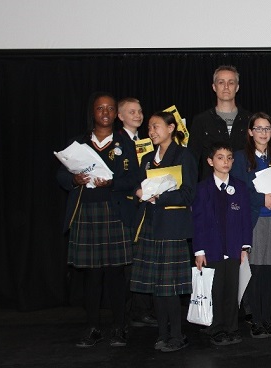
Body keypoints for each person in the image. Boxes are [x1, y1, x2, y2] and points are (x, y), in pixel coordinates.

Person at [57, 92, 139, 348]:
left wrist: (115, 182)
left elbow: (136, 178)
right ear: (93, 112)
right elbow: (60, 173)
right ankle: (92, 326)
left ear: (116, 114)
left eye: (110, 109)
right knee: (92, 276)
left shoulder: (126, 142)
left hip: (115, 212)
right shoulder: (79, 142)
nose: (105, 112)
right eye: (100, 108)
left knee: (116, 275)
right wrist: (73, 180)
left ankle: (119, 326)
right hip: (86, 213)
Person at [131, 111, 197, 352]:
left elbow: (189, 193)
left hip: (172, 228)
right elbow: (139, 187)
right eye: (149, 127)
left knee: (170, 289)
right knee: (157, 287)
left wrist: (161, 197)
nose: (151, 131)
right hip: (150, 226)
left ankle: (177, 335)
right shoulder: (147, 158)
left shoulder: (184, 155)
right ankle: (162, 334)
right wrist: (139, 193)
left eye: (156, 126)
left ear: (171, 128)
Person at [231, 112, 271, 338]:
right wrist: (261, 199)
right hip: (254, 221)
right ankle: (256, 320)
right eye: (259, 128)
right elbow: (236, 192)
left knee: (269, 274)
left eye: (267, 129)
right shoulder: (239, 158)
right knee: (255, 273)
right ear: (250, 132)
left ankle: (266, 318)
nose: (263, 133)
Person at [192, 141, 252, 346]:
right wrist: (199, 250)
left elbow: (246, 219)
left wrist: (245, 246)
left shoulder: (240, 187)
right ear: (210, 161)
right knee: (215, 290)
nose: (225, 162)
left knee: (231, 290)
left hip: (234, 248)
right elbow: (198, 221)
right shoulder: (202, 189)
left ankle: (232, 327)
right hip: (212, 249)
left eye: (229, 158)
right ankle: (216, 327)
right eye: (220, 157)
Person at [115, 97, 158, 328]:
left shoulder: (146, 141)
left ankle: (142, 309)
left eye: (140, 111)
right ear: (120, 116)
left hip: (145, 207)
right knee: (127, 264)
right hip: (126, 209)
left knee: (142, 260)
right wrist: (137, 189)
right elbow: (118, 178)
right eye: (131, 112)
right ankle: (126, 312)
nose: (137, 115)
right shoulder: (117, 142)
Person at [188, 65, 252, 180]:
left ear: (237, 87)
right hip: (210, 190)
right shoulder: (201, 121)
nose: (226, 87)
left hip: (245, 188)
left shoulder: (250, 120)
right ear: (214, 87)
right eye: (221, 82)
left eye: (231, 83)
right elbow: (192, 161)